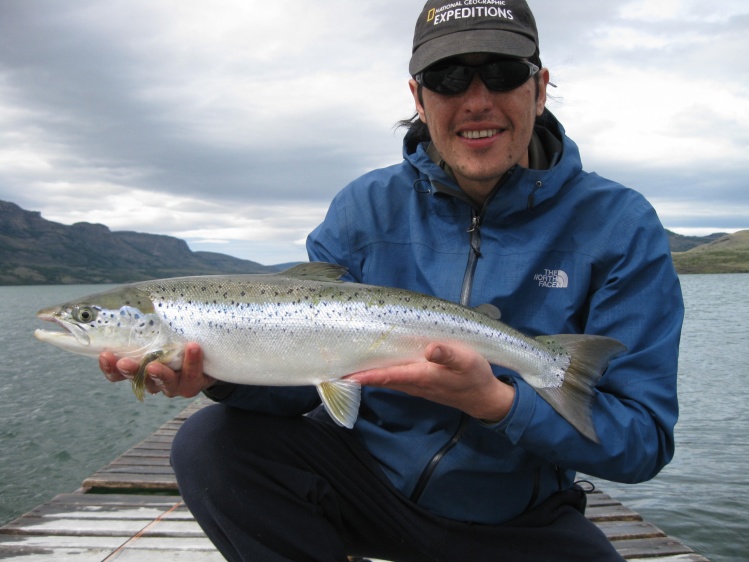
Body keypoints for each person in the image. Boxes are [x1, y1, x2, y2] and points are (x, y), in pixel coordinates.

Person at [100, 1, 683, 560]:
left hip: (522, 519)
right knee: (210, 444)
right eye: (449, 77)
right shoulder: (362, 210)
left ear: (540, 85)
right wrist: (217, 374)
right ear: (419, 97)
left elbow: (642, 441)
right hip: (367, 492)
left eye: (502, 73)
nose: (477, 100)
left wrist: (497, 403)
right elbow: (303, 383)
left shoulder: (620, 226)